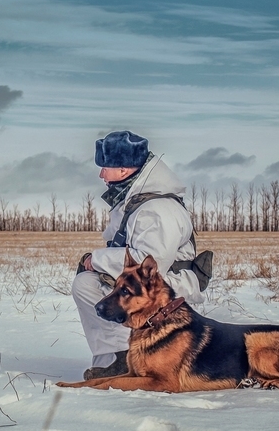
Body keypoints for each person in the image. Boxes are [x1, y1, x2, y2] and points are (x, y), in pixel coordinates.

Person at [72, 130, 208, 380]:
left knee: (87, 285)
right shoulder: (140, 201)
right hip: (154, 283)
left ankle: (123, 357)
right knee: (88, 282)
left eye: (104, 167)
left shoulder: (156, 209)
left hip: (166, 287)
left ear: (123, 169)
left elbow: (151, 262)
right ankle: (114, 357)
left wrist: (97, 261)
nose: (101, 173)